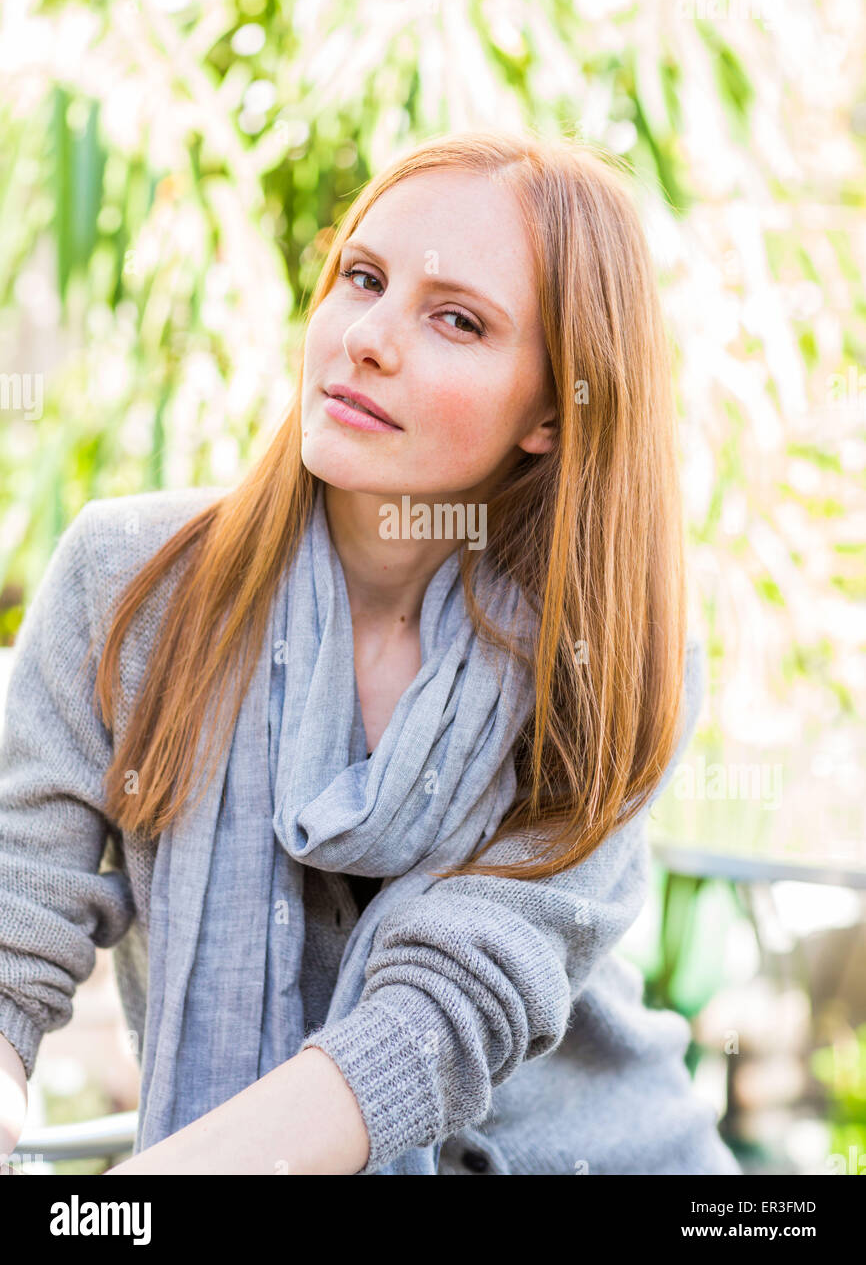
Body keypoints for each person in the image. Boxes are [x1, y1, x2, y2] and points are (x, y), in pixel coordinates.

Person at [0, 129, 741, 1175]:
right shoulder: (126, 584)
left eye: (455, 320)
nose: (367, 337)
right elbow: (13, 918)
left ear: (549, 409)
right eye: (362, 277)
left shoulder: (602, 655)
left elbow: (434, 1019)